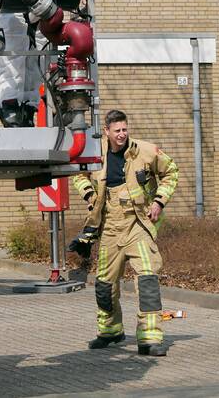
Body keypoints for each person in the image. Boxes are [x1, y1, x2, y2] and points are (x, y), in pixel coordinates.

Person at [68, 110, 179, 356]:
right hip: (109, 225)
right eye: (117, 130)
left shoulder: (145, 151)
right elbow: (78, 173)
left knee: (147, 279)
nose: (122, 134)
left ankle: (150, 338)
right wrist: (89, 194)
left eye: (124, 129)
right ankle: (110, 331)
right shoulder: (94, 152)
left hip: (137, 223)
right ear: (106, 131)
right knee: (104, 284)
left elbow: (171, 171)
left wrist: (159, 202)